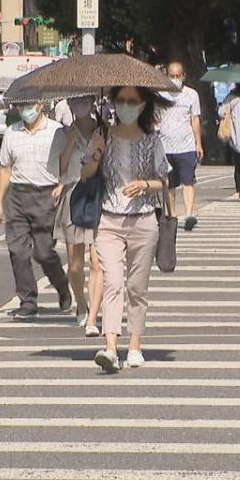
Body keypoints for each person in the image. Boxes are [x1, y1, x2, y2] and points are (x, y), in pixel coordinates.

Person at [81, 86, 170, 372]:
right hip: (109, 220)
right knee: (113, 282)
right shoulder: (103, 135)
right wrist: (96, 154)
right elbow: (85, 176)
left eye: (132, 101)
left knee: (136, 287)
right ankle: (110, 348)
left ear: (143, 105)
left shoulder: (152, 141)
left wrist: (144, 184)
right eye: (121, 100)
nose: (126, 106)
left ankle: (134, 345)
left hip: (144, 221)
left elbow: (164, 181)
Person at [0, 100, 72, 319]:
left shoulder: (57, 131)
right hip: (18, 195)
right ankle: (27, 299)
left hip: (46, 195)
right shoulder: (12, 132)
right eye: (20, 106)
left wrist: (62, 184)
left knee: (44, 252)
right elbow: (6, 169)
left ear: (40, 105)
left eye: (28, 105)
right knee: (17, 250)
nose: (25, 110)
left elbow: (67, 162)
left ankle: (62, 285)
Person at [52, 95, 104, 336]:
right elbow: (58, 169)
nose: (80, 105)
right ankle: (80, 302)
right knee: (74, 264)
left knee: (97, 260)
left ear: (93, 101)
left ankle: (93, 313)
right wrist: (71, 142)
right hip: (73, 196)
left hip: (98, 196)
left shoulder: (104, 130)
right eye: (75, 101)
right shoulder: (62, 134)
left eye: (84, 100)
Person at [158, 61, 204, 230]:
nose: (175, 79)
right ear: (167, 76)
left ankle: (189, 214)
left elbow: (195, 119)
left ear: (184, 76)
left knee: (188, 182)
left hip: (186, 146)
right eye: (172, 76)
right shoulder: (161, 95)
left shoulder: (191, 95)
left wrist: (198, 143)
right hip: (165, 146)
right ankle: (172, 215)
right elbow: (156, 119)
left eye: (178, 76)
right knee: (169, 185)